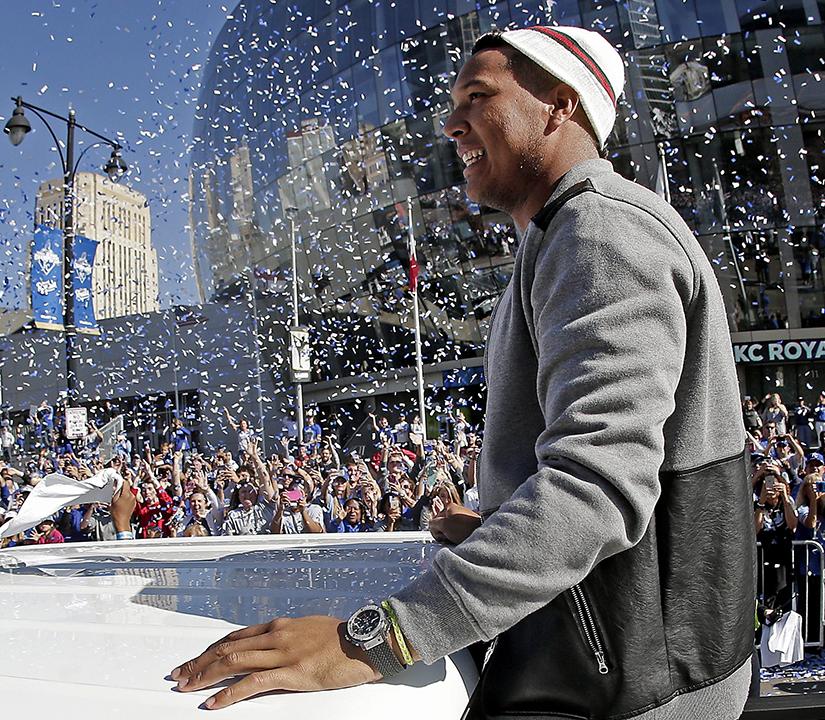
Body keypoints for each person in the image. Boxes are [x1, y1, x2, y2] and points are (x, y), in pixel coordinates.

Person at [171, 26, 752, 718]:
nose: (451, 124)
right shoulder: (563, 235)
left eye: (478, 97)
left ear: (559, 105)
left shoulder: (600, 231)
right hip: (616, 658)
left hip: (640, 686)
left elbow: (597, 483)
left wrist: (377, 640)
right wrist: (501, 526)